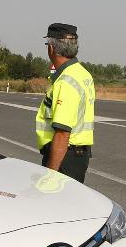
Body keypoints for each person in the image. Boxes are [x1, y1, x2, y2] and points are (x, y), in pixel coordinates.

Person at [35, 23, 95, 182]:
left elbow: (62, 133)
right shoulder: (82, 73)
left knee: (55, 203)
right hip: (75, 156)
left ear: (52, 48)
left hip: (63, 157)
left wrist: (50, 174)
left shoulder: (66, 81)